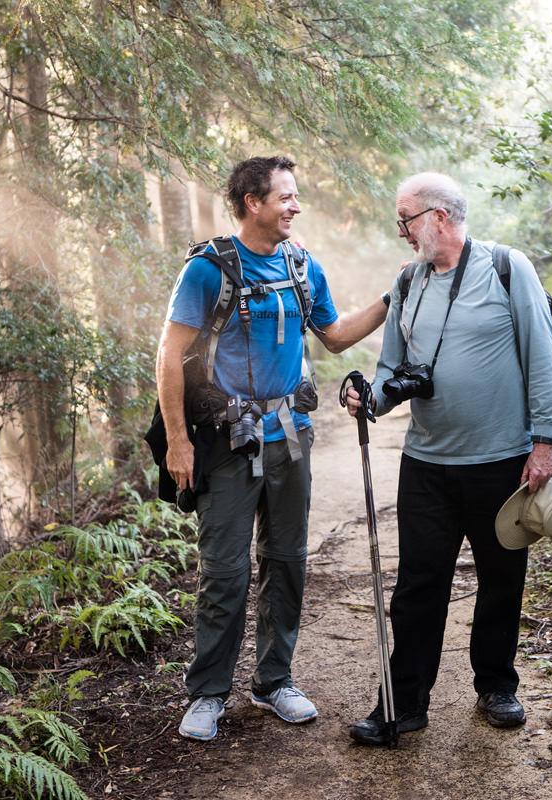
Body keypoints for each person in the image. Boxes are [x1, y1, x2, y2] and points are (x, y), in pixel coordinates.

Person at [156, 156, 388, 741]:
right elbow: (168, 356)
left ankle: (274, 682)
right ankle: (208, 693)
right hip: (228, 445)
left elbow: (333, 337)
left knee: (287, 561)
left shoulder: (301, 264)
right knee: (226, 573)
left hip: (291, 437)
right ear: (252, 202)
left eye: (296, 196)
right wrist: (178, 440)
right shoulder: (207, 271)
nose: (296, 206)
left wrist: (393, 296)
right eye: (285, 196)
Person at [344, 172, 552, 745]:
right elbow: (392, 369)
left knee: (501, 576)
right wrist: (370, 397)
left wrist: (544, 441)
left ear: (439, 216)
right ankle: (403, 702)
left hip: (501, 460)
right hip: (427, 464)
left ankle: (496, 685)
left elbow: (541, 354)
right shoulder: (408, 283)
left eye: (405, 219)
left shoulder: (506, 268)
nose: (400, 231)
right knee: (417, 584)